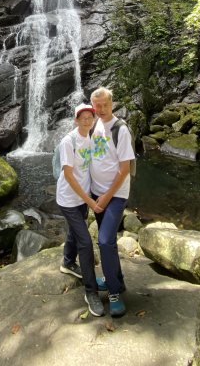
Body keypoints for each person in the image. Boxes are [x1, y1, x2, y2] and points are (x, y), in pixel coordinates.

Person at [56, 103, 105, 317]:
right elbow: (68, 175)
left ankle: (67, 262)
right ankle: (90, 291)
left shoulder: (92, 138)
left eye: (90, 117)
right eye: (82, 117)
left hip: (82, 198)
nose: (87, 120)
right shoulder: (69, 141)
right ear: (76, 120)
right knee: (85, 242)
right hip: (68, 199)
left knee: (75, 232)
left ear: (93, 119)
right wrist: (91, 202)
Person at [90, 87, 135, 317]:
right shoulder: (93, 125)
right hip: (97, 194)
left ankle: (114, 291)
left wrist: (106, 197)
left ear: (112, 104)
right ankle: (117, 279)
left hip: (115, 195)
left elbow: (125, 169)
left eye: (105, 105)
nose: (101, 110)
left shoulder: (121, 130)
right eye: (97, 106)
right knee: (109, 243)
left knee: (105, 240)